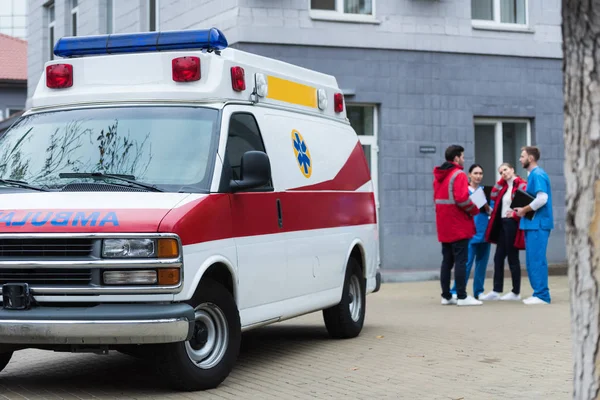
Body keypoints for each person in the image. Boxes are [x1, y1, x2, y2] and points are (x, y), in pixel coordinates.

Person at [433, 145, 482, 306]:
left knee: (447, 261)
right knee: (461, 260)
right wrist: (474, 210)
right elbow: (462, 199)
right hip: (458, 224)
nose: (463, 159)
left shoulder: (440, 175)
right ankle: (462, 296)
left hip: (444, 224)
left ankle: (446, 296)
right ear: (456, 158)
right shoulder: (459, 174)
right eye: (462, 156)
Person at [480, 163, 527, 301]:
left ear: (512, 169)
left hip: (512, 223)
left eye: (505, 170)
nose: (503, 173)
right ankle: (496, 290)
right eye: (500, 172)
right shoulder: (504, 187)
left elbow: (525, 203)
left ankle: (516, 292)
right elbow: (493, 195)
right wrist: (501, 181)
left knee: (512, 257)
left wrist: (514, 214)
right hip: (502, 223)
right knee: (498, 257)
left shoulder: (521, 184)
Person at [513, 146, 554, 305]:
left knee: (536, 259)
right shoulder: (534, 175)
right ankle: (538, 292)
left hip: (538, 225)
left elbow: (542, 198)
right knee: (532, 259)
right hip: (533, 224)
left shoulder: (537, 174)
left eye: (522, 156)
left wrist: (524, 209)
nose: (520, 159)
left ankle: (542, 295)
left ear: (530, 158)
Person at [450, 164, 493, 300]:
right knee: (466, 263)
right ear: (469, 175)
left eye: (480, 173)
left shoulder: (486, 192)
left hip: (484, 231)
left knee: (482, 263)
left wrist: (486, 205)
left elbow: (492, 211)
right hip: (469, 232)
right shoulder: (464, 191)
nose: (478, 176)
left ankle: (478, 291)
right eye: (475, 173)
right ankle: (456, 290)